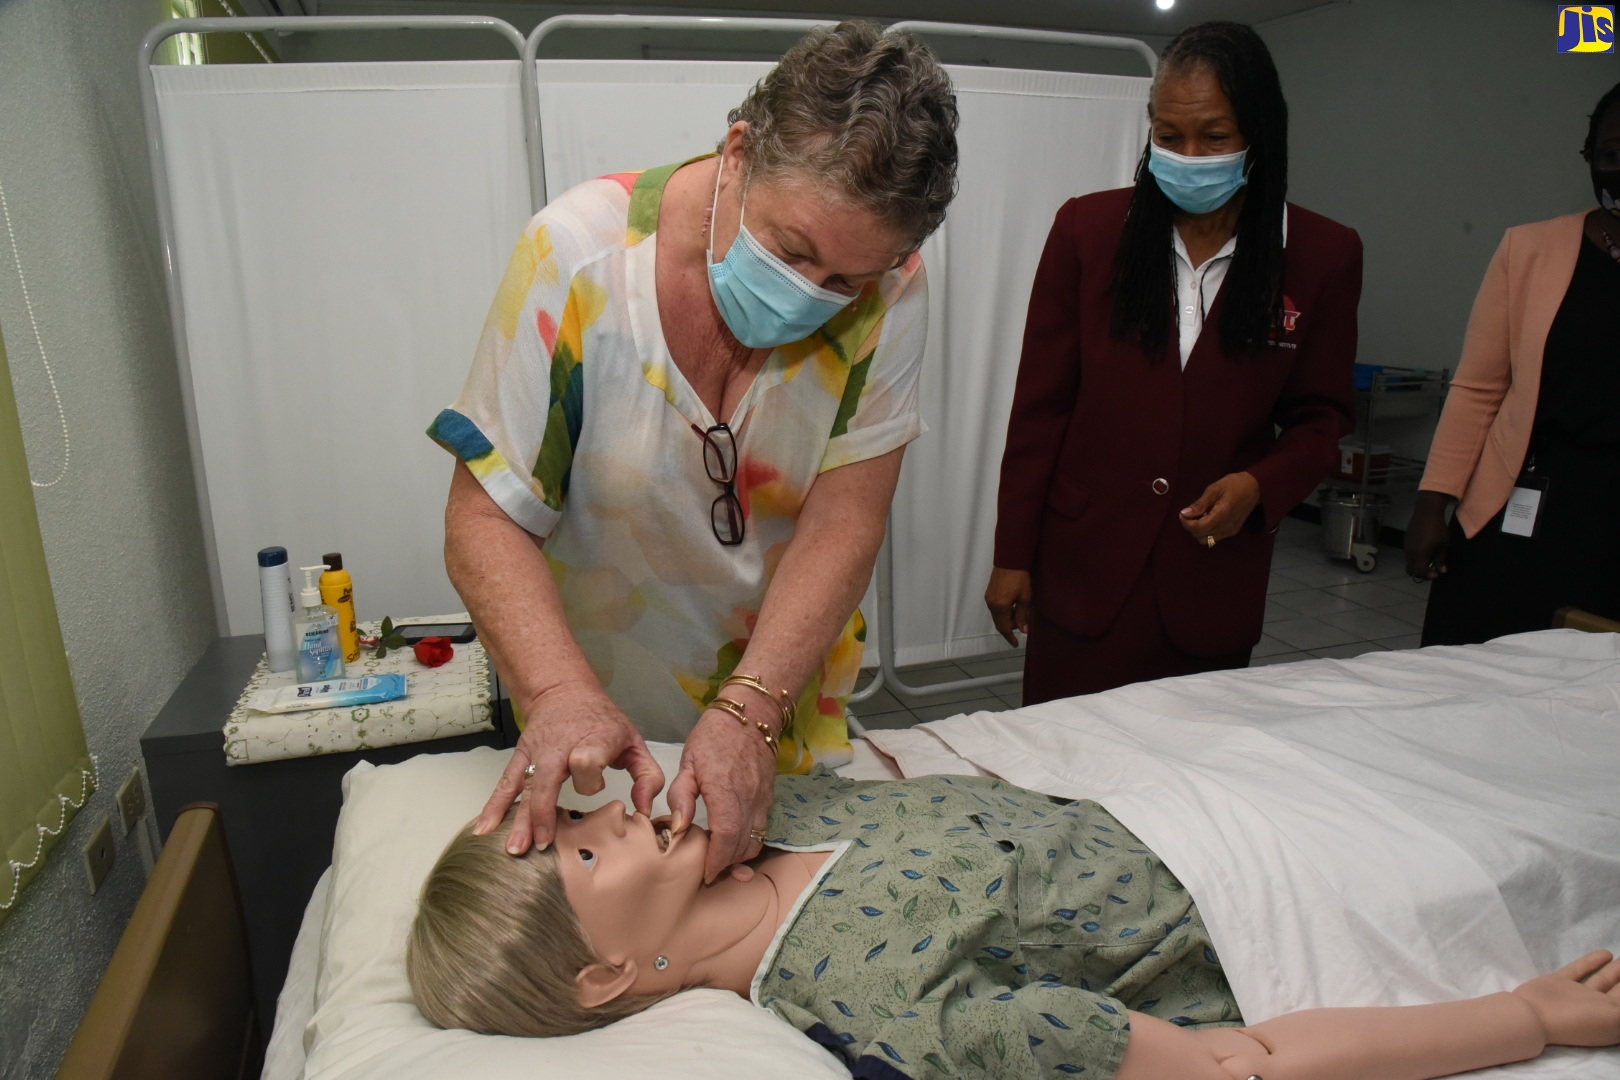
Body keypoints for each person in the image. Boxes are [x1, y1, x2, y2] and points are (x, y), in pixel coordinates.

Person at [428, 22, 958, 879]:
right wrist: (560, 694)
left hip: (776, 698)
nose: (811, 296)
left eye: (843, 283)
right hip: (590, 712)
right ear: (740, 152)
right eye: (792, 250)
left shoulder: (895, 288)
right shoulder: (579, 258)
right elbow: (484, 519)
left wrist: (752, 710)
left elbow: (844, 523)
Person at [406, 771, 1620, 1080]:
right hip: (1288, 883)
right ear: (606, 976)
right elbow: (1239, 1067)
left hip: (1210, 790)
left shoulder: (758, 809)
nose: (613, 807)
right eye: (582, 847)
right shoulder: (887, 1007)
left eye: (577, 812)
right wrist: (1528, 1016)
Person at [985, 22, 1362, 704]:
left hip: (1210, 581)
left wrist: (1260, 484)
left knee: (1185, 785)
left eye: (1215, 136)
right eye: (1169, 135)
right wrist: (1012, 555)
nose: (1190, 156)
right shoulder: (1088, 231)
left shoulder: (1322, 255)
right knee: (1064, 770)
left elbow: (1322, 417)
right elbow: (1041, 410)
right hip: (1085, 570)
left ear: (1260, 134)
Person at [1406, 82, 1620, 646]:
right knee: (1469, 676)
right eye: (1610, 155)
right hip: (1520, 507)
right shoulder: (1529, 250)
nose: (1618, 169)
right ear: (1589, 157)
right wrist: (1433, 504)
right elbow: (1478, 388)